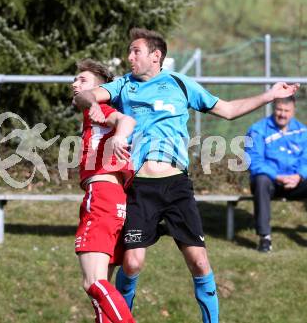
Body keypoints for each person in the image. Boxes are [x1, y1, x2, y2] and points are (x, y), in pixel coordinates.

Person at [73, 27, 299, 323]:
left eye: (135, 51)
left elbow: (228, 110)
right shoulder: (123, 85)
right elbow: (86, 95)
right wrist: (91, 102)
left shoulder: (180, 84)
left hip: (176, 185)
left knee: (199, 261)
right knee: (132, 262)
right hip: (139, 187)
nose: (129, 57)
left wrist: (270, 94)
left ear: (156, 56)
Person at [73, 59, 137, 323]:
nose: (75, 85)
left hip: (101, 196)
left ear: (100, 89)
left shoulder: (97, 108)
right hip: (115, 200)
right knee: (100, 295)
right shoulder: (93, 113)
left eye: (82, 80)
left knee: (92, 283)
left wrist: (120, 134)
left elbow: (126, 120)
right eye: (74, 81)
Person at [246, 96, 307, 252]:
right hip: (270, 183)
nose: (282, 114)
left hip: (296, 182)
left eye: (286, 111)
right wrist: (277, 176)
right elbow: (254, 161)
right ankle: (265, 237)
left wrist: (299, 176)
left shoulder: (302, 131)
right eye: (279, 110)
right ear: (274, 109)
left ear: (293, 111)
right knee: (261, 180)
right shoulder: (257, 130)